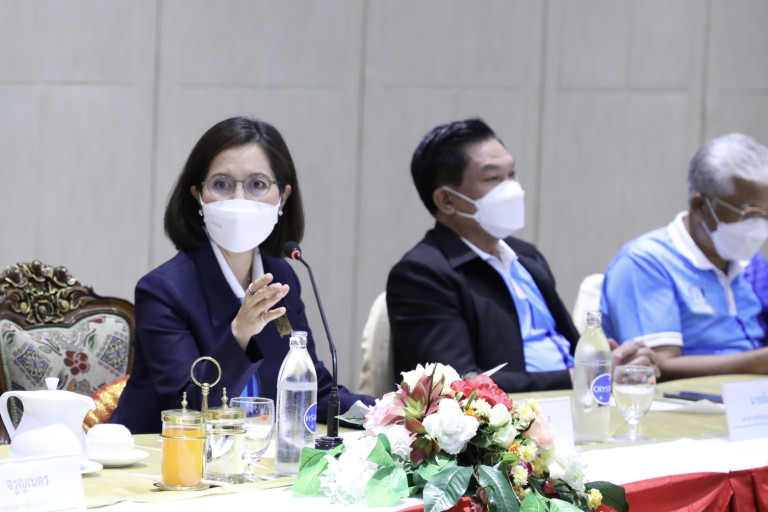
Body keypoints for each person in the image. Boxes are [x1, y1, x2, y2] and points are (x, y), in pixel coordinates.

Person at [112, 116, 373, 433]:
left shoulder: (281, 277)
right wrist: (240, 333)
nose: (239, 200)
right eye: (221, 185)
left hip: (255, 456)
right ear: (198, 196)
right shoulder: (163, 291)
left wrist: (389, 414)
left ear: (282, 198)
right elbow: (188, 411)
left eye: (257, 185)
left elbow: (312, 393)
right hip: (160, 457)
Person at [386, 118, 657, 393]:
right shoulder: (422, 274)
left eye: (512, 174)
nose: (512, 189)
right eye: (493, 178)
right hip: (512, 416)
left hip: (581, 402)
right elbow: (457, 384)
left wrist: (610, 362)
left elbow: (568, 351)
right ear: (446, 200)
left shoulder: (526, 257)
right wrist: (577, 377)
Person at [600, 133, 768, 379]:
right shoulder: (645, 262)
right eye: (750, 213)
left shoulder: (751, 263)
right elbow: (657, 366)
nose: (761, 226)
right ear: (700, 207)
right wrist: (757, 363)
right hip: (688, 397)